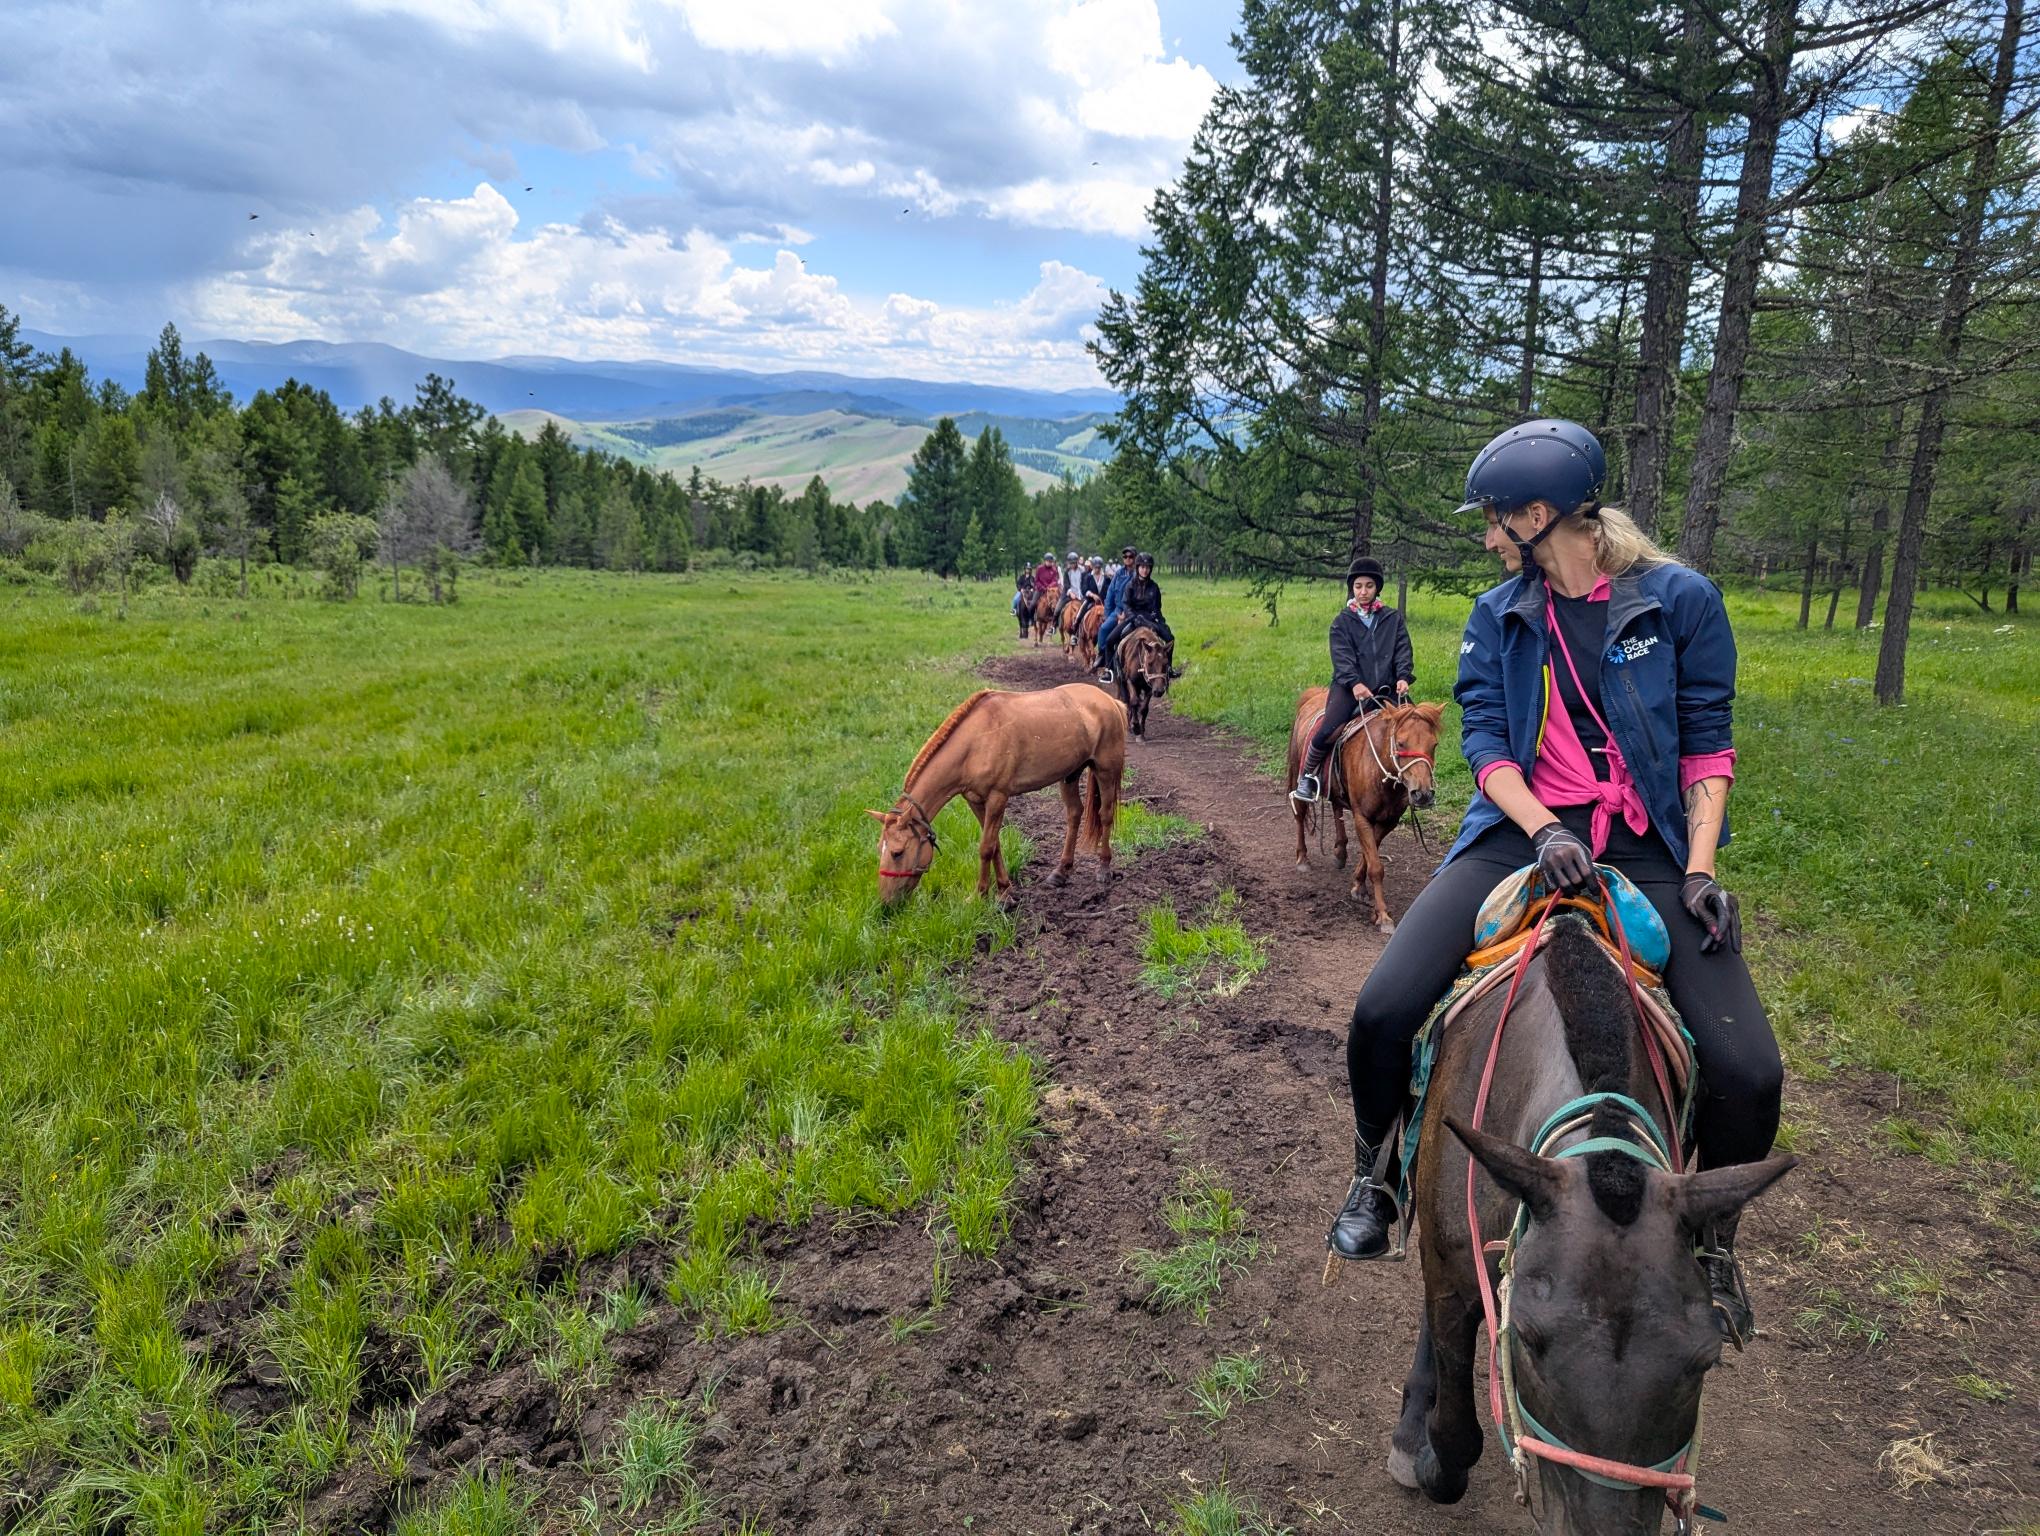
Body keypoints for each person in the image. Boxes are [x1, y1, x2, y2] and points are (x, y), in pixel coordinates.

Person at [1324, 418, 1782, 1348]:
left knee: (1750, 1068)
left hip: (1648, 841)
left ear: (1540, 515)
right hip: (1517, 832)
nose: (1488, 536)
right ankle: (1375, 1173)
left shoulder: (1681, 603)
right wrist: (1541, 831)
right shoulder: (1499, 617)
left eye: (1495, 519)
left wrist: (1698, 868)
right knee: (1379, 1011)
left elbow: (1707, 741)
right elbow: (1487, 745)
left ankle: (1712, 1241)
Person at [1291, 555, 1414, 804]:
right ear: (1352, 588)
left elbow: (1403, 649)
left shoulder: (1393, 619)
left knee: (1416, 728)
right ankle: (1307, 776)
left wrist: (1403, 676)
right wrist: (1354, 683)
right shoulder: (1342, 622)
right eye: (1358, 586)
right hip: (1349, 689)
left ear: (1377, 587)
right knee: (1327, 728)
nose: (1363, 591)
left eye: (1369, 586)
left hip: (1387, 688)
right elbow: (1342, 657)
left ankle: (1418, 781)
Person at [1099, 551, 1177, 681]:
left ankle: (1168, 668)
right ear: (1138, 568)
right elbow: (1126, 604)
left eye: (1147, 568)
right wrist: (1133, 617)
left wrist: (1160, 622)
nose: (1145, 570)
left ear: (1150, 569)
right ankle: (1109, 670)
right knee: (1109, 640)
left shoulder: (1154, 587)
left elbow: (1157, 608)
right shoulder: (1130, 585)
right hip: (1133, 618)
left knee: (1169, 638)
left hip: (1150, 619)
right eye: (1142, 567)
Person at [1095, 543, 1139, 677]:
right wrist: (1108, 614)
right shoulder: (1119, 573)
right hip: (1118, 609)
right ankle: (1103, 657)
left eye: (1130, 557)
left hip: (1133, 610)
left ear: (1135, 558)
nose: (1128, 559)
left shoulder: (1139, 573)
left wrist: (1127, 614)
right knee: (1103, 629)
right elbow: (1110, 594)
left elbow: (1139, 596)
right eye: (1125, 557)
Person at [1011, 571, 1033, 637]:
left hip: (1030, 592)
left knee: (1035, 600)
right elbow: (1018, 584)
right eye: (1027, 569)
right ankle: (1014, 610)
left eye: (1029, 569)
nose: (1028, 570)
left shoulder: (1032, 578)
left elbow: (1034, 584)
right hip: (1022, 591)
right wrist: (1020, 589)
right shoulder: (1022, 577)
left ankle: (1034, 614)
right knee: (1015, 599)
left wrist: (1032, 589)